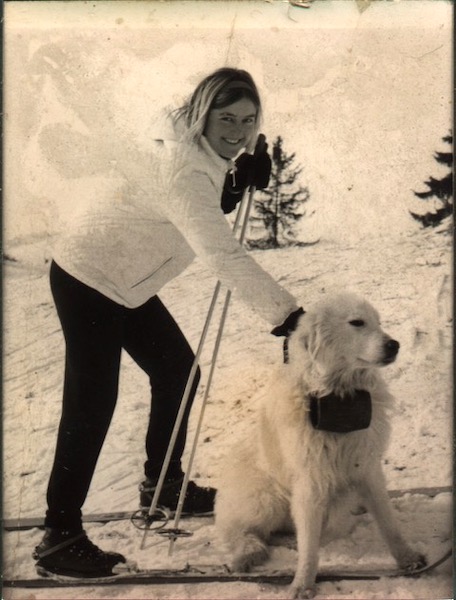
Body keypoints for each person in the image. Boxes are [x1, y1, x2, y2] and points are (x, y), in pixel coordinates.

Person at [33, 67, 303, 578]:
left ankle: (164, 487)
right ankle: (59, 536)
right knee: (93, 402)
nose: (239, 131)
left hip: (124, 281)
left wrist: (239, 180)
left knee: (178, 370)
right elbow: (219, 250)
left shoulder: (199, 150)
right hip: (90, 277)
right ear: (203, 113)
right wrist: (288, 315)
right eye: (227, 118)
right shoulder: (181, 164)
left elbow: (199, 204)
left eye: (248, 120)